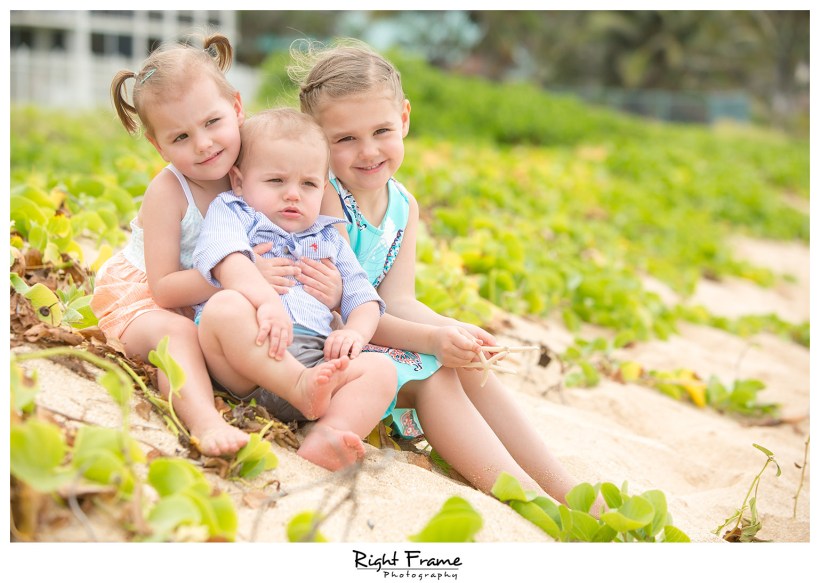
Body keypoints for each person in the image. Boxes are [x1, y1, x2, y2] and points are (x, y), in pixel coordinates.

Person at [290, 39, 590, 505]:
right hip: (328, 345)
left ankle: (560, 485)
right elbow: (340, 310)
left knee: (469, 362)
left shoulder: (402, 204)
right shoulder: (326, 200)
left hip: (368, 333)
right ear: (316, 138)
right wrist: (431, 342)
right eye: (345, 139)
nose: (368, 151)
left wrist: (452, 330)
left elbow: (400, 299)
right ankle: (523, 498)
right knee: (436, 374)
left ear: (405, 119)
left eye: (382, 131)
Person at [91, 33, 341, 458]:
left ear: (238, 108)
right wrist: (243, 278)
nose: (204, 144)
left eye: (212, 123)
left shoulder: (259, 163)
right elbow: (165, 288)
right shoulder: (169, 192)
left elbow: (306, 218)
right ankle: (205, 421)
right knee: (179, 334)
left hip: (224, 301)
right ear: (158, 145)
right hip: (150, 301)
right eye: (180, 138)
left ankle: (298, 387)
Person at [192, 107, 397, 471]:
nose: (293, 195)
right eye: (275, 181)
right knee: (224, 307)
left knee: (381, 370)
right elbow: (227, 261)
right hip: (247, 361)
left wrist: (353, 331)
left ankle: (326, 435)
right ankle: (299, 387)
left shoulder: (327, 236)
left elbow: (363, 297)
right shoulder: (234, 211)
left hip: (316, 362)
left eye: (308, 185)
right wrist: (266, 301)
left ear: (323, 187)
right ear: (239, 181)